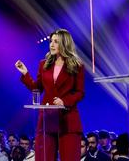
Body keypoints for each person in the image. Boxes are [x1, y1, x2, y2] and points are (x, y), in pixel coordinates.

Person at [15, 29, 84, 161]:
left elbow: (80, 93)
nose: (51, 44)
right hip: (47, 119)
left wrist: (64, 101)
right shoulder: (44, 64)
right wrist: (25, 74)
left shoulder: (77, 66)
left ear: (65, 44)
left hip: (68, 120)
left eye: (56, 42)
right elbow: (37, 89)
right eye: (51, 41)